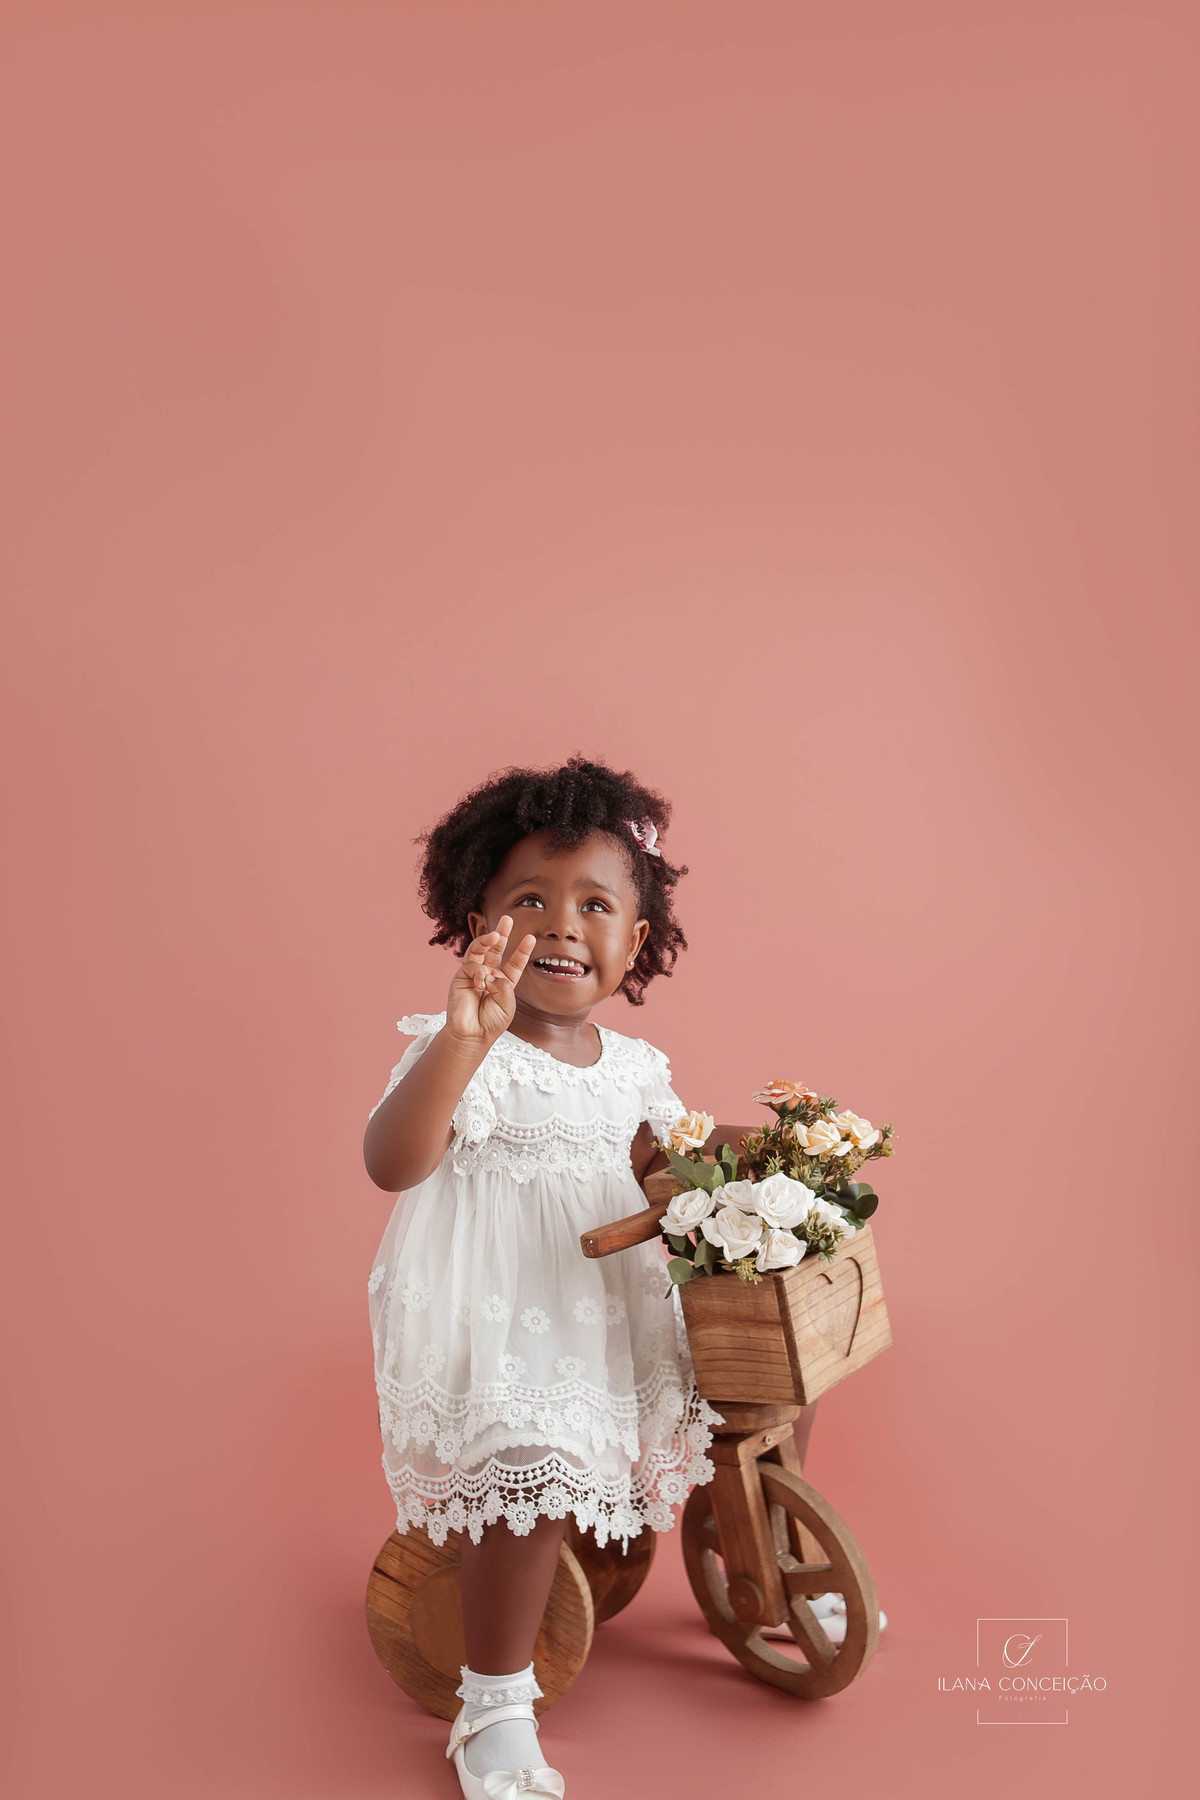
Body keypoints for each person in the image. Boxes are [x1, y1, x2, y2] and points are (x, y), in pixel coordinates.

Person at [363, 756, 732, 1799]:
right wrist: (460, 1042)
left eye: (595, 906)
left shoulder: (638, 1069)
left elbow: (675, 1174)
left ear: (637, 941)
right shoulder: (464, 1047)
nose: (562, 926)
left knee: (755, 1401)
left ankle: (758, 1578)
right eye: (530, 900)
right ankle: (492, 1706)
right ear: (477, 922)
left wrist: (757, 1191)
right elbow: (392, 1162)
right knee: (528, 1463)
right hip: (503, 1326)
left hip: (612, 1312)